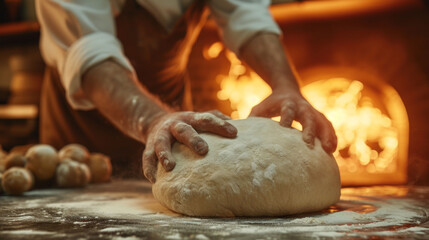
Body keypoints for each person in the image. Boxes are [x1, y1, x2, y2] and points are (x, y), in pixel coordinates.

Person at [35, 0, 337, 183]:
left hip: (176, 123)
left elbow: (245, 15)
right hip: (82, 136)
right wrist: (153, 120)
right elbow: (90, 55)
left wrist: (286, 86)